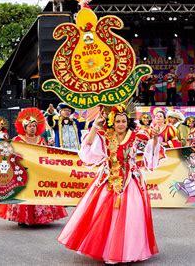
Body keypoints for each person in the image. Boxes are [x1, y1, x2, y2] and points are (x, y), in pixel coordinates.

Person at [58, 103, 165, 263]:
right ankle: (109, 251)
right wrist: (95, 125)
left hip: (131, 181)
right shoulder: (105, 136)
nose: (120, 124)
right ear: (112, 123)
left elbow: (151, 152)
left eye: (123, 121)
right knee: (107, 217)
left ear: (127, 121)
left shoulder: (138, 136)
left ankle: (128, 252)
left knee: (131, 217)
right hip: (108, 180)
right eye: (117, 121)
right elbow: (87, 148)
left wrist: (156, 137)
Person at [0, 108, 67, 226]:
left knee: (39, 193)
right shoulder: (17, 140)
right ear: (24, 128)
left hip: (38, 172)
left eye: (34, 126)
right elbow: (10, 153)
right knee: (24, 194)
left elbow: (46, 155)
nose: (32, 128)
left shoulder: (41, 140)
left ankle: (40, 217)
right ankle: (22, 218)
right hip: (22, 172)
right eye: (30, 126)